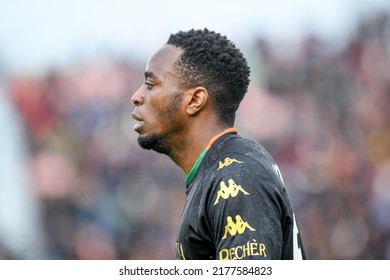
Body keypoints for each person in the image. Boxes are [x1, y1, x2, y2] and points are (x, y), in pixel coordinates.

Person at [131, 28, 305, 260]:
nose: (137, 96)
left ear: (194, 100)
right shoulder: (217, 171)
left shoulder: (236, 177)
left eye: (151, 84)